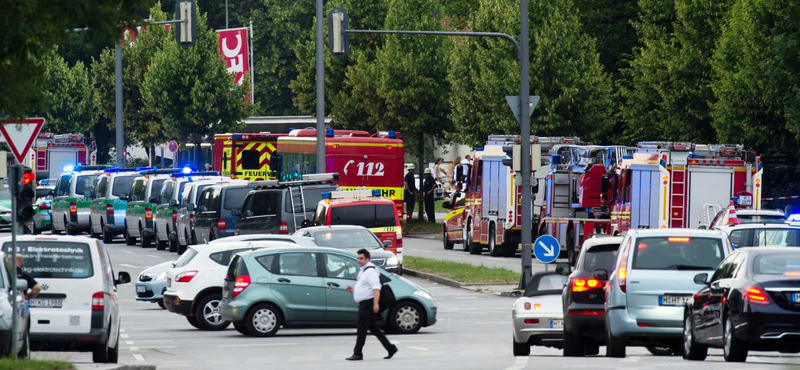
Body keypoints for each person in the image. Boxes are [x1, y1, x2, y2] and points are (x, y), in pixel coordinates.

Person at [345, 249, 398, 361]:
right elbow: (366, 287)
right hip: (365, 303)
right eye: (358, 258)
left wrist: (375, 304)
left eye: (361, 258)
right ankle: (390, 348)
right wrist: (354, 289)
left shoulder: (370, 271)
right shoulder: (364, 271)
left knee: (361, 328)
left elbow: (376, 288)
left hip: (368, 304)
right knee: (373, 328)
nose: (359, 260)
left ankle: (358, 353)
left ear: (367, 259)